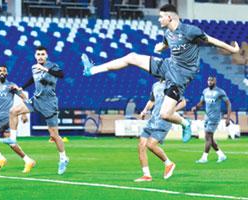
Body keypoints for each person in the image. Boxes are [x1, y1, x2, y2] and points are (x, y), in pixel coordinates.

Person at [81, 4, 239, 143]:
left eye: (161, 17)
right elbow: (164, 46)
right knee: (131, 57)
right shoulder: (168, 35)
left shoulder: (190, 31)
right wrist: (159, 48)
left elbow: (212, 40)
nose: (158, 20)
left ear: (170, 17)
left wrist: (233, 50)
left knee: (165, 114)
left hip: (181, 76)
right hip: (168, 65)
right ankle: (92, 70)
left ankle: (185, 124)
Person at [0, 46, 69, 175]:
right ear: (35, 56)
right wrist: (21, 87)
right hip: (36, 100)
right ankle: (12, 138)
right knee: (13, 111)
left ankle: (63, 159)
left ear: (46, 56)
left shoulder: (52, 66)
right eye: (38, 54)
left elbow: (61, 75)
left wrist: (45, 69)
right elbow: (33, 79)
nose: (40, 56)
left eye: (43, 54)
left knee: (54, 135)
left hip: (49, 104)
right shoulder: (34, 67)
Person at [0, 65, 35, 173]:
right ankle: (28, 160)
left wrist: (24, 113)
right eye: (0, 70)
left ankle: (0, 158)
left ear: (6, 74)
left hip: (5, 116)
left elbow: (24, 97)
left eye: (4, 71)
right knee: (11, 142)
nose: (2, 72)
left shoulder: (11, 86)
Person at [135, 79, 186, 182]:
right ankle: (146, 175)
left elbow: (183, 102)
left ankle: (169, 164)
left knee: (151, 145)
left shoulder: (172, 85)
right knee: (141, 145)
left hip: (164, 120)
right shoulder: (155, 85)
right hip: (153, 119)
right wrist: (145, 110)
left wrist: (171, 111)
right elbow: (152, 101)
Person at [192, 76, 230, 163]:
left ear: (215, 82)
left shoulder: (220, 92)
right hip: (207, 117)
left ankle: (204, 158)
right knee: (209, 138)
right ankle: (221, 155)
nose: (210, 82)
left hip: (215, 118)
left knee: (208, 136)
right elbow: (201, 103)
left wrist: (228, 118)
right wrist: (196, 107)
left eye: (212, 80)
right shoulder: (205, 91)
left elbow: (228, 104)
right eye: (208, 80)